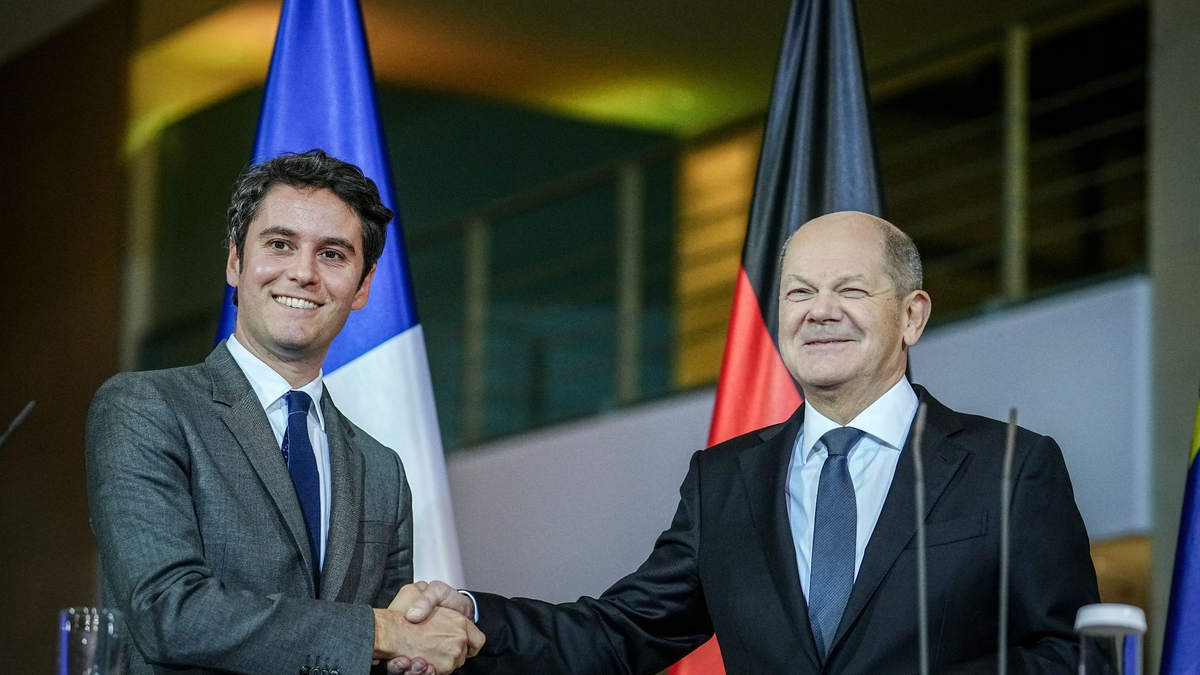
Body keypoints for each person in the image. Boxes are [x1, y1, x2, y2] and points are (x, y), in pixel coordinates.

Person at [394, 211, 1100, 675]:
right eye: (798, 292)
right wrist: (477, 615)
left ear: (912, 315)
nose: (820, 310)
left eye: (850, 288)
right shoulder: (723, 478)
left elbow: (1078, 654)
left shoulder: (1011, 466)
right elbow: (619, 632)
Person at [86, 150, 482, 675]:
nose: (303, 273)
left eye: (334, 255)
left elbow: (385, 651)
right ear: (235, 261)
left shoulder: (382, 469)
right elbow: (169, 613)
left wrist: (415, 647)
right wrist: (383, 630)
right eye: (279, 244)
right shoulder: (145, 409)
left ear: (362, 286)